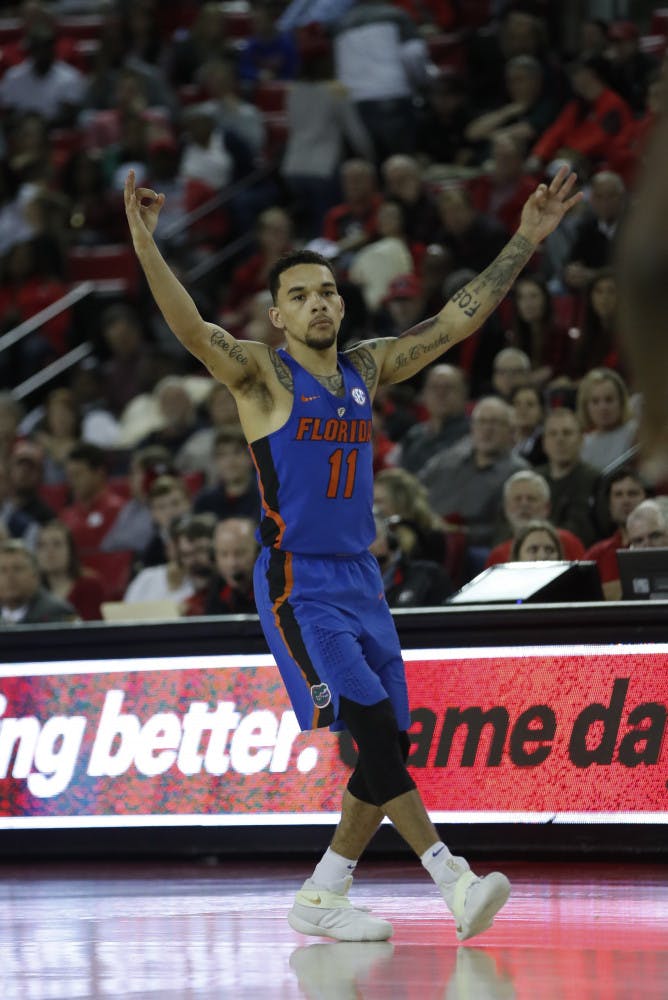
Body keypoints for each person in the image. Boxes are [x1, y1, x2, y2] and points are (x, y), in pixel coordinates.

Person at [124, 161, 581, 943]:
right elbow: (193, 329)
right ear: (278, 315)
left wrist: (526, 239)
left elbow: (455, 322)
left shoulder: (365, 366)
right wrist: (143, 242)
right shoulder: (262, 376)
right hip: (297, 580)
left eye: (327, 291)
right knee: (369, 726)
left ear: (341, 303)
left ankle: (324, 891)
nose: (319, 303)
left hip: (361, 578)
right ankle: (453, 877)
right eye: (301, 295)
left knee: (390, 743)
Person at [486, 469, 585, 566]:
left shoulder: (568, 542)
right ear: (505, 508)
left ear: (547, 507)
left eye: (531, 499)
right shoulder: (497, 555)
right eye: (517, 499)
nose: (524, 504)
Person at [370, 514, 453, 608]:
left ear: (390, 540)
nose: (363, 546)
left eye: (371, 537)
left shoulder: (429, 576)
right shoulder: (357, 584)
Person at [35, 520, 104, 621]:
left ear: (71, 550)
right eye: (42, 545)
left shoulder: (90, 585)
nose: (49, 551)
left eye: (57, 544)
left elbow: (92, 626)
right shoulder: (34, 591)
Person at [0, 538, 77, 625]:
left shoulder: (57, 613)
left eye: (17, 569)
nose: (10, 576)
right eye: (3, 570)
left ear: (35, 575)